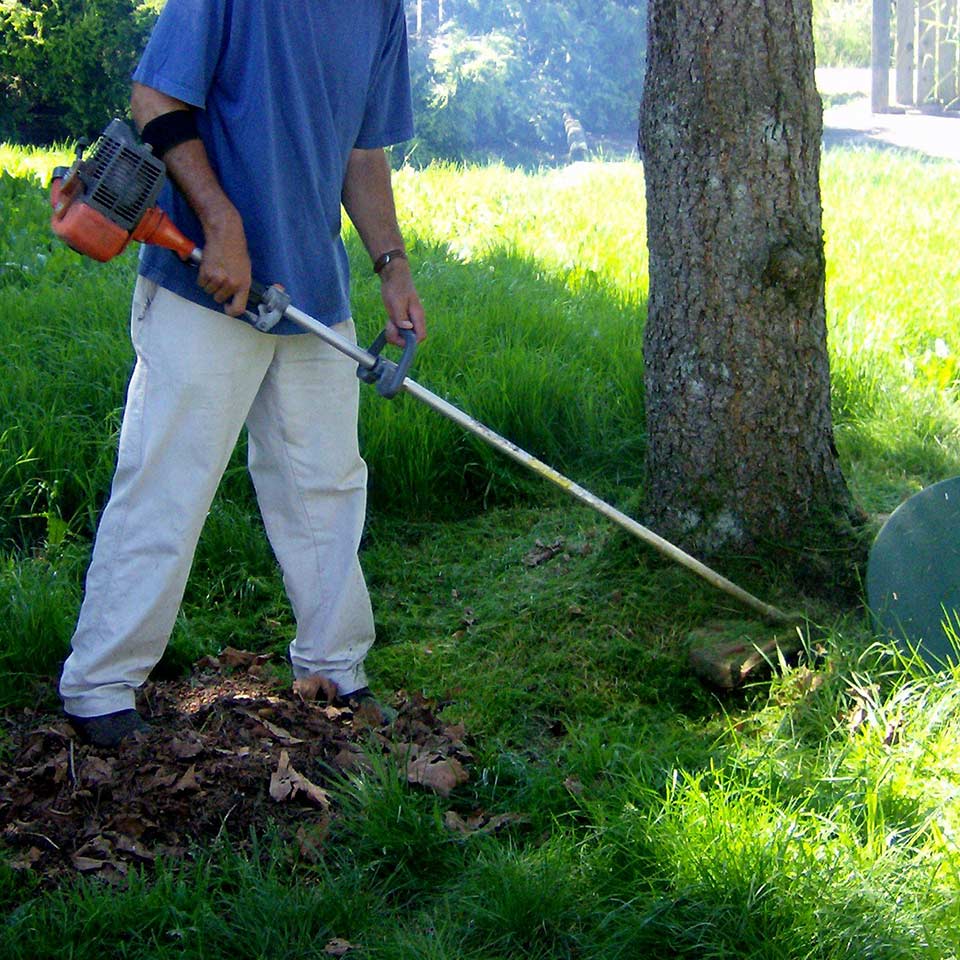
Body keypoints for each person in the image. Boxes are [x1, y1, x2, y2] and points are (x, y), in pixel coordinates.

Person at [58, 0, 426, 747]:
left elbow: (362, 151)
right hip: (204, 278)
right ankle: (100, 686)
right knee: (167, 478)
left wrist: (392, 263)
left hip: (311, 290)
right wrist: (222, 221)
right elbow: (156, 96)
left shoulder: (382, 9)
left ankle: (335, 664)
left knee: (325, 482)